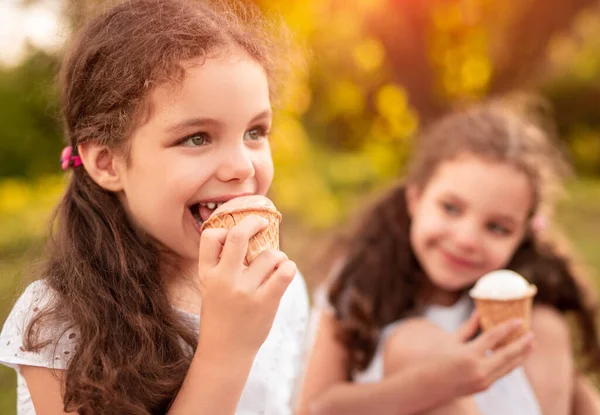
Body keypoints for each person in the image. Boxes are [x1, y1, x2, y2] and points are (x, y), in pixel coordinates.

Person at [0, 0, 309, 414]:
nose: (242, 167)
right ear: (107, 163)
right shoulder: (58, 321)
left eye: (255, 131)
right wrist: (227, 349)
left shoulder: (278, 287)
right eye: (197, 137)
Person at [297, 100, 600, 415]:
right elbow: (315, 408)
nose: (466, 240)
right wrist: (437, 382)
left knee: (546, 327)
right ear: (415, 199)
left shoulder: (527, 313)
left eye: (496, 228)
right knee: (416, 343)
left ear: (523, 235)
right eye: (451, 208)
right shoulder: (361, 282)